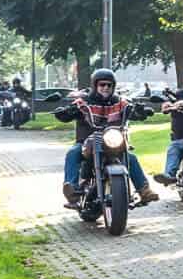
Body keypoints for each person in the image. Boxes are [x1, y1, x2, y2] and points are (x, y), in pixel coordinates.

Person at [53, 68, 157, 207]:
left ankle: (144, 190)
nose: (106, 88)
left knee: (130, 157)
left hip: (113, 141)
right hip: (87, 141)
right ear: (95, 86)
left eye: (109, 85)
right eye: (102, 84)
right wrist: (65, 112)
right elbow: (70, 111)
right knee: (73, 153)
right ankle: (71, 189)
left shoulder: (119, 102)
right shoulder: (84, 101)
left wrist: (140, 111)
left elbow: (130, 110)